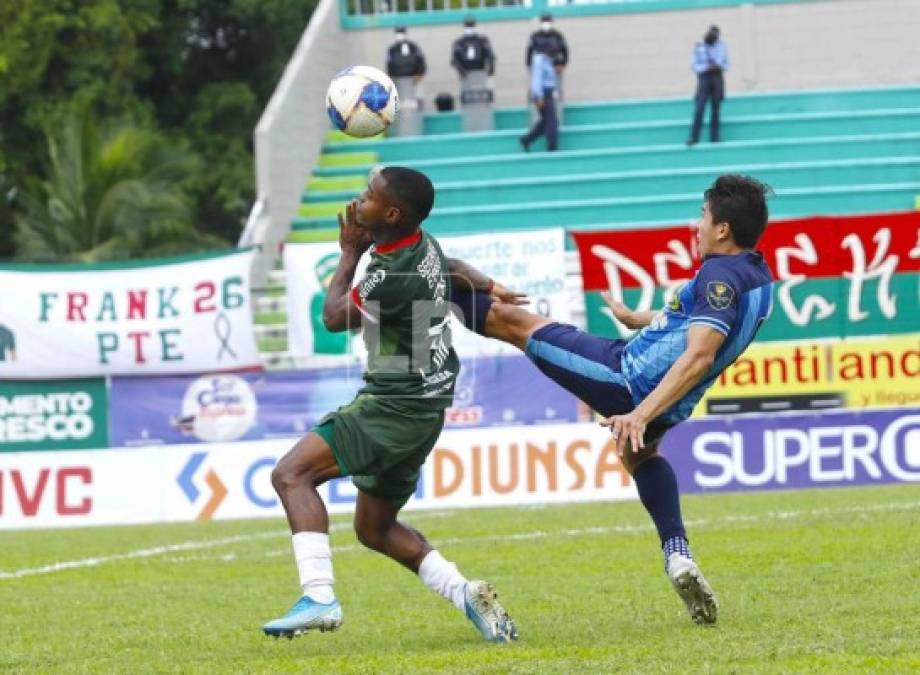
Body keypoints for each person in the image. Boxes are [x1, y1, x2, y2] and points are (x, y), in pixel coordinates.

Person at [448, 174, 775, 625]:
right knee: (636, 453)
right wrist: (635, 318)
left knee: (514, 323)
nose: (696, 224)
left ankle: (431, 281)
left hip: (624, 377)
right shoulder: (757, 275)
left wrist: (638, 412)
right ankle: (677, 554)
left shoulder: (719, 276)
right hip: (674, 399)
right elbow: (688, 320)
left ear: (723, 229)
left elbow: (699, 354)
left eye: (703, 216)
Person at [262, 167, 518, 643]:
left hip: (393, 406)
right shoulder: (420, 242)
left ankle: (318, 596)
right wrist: (487, 283)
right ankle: (465, 594)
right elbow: (452, 266)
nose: (358, 203)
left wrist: (348, 254)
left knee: (290, 475)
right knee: (374, 528)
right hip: (424, 410)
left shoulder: (390, 272)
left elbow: (334, 316)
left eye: (369, 197)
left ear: (393, 214)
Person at [687, 25, 729, 145]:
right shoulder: (699, 45)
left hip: (717, 77)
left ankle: (715, 137)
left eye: (715, 36)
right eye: (710, 35)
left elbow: (726, 64)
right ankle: (694, 137)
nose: (712, 37)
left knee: (716, 108)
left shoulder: (722, 46)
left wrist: (718, 66)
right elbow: (694, 65)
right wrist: (706, 67)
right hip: (704, 77)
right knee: (700, 107)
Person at [519, 45, 559, 152]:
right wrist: (539, 97)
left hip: (548, 94)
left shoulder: (548, 61)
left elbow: (549, 79)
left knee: (547, 121)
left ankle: (526, 139)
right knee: (552, 121)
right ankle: (552, 146)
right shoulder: (539, 61)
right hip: (543, 95)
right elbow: (537, 80)